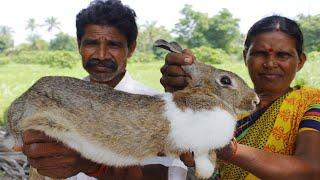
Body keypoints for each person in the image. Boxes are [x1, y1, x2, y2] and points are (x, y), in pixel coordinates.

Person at [22, 0, 187, 179]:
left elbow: (167, 174)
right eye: (91, 43)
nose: (101, 55)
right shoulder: (57, 103)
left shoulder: (157, 109)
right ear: (79, 45)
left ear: (131, 48)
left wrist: (91, 163)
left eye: (113, 45)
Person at [161, 15, 320, 179]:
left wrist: (230, 150)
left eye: (282, 55)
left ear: (300, 61)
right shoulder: (222, 104)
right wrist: (181, 95)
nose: (270, 63)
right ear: (245, 56)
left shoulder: (312, 103)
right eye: (260, 53)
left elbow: (311, 171)